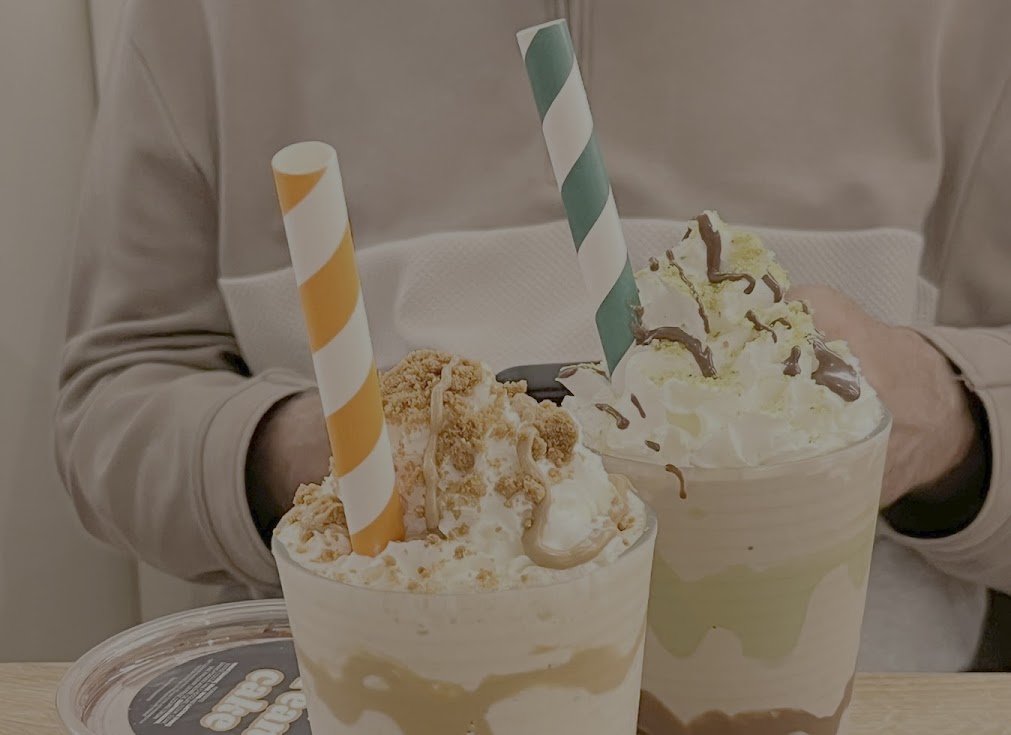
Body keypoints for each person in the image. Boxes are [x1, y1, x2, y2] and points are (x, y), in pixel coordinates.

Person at [58, 0, 1011, 671]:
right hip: (362, 720)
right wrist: (316, 450)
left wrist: (946, 414)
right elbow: (115, 393)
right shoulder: (208, 19)